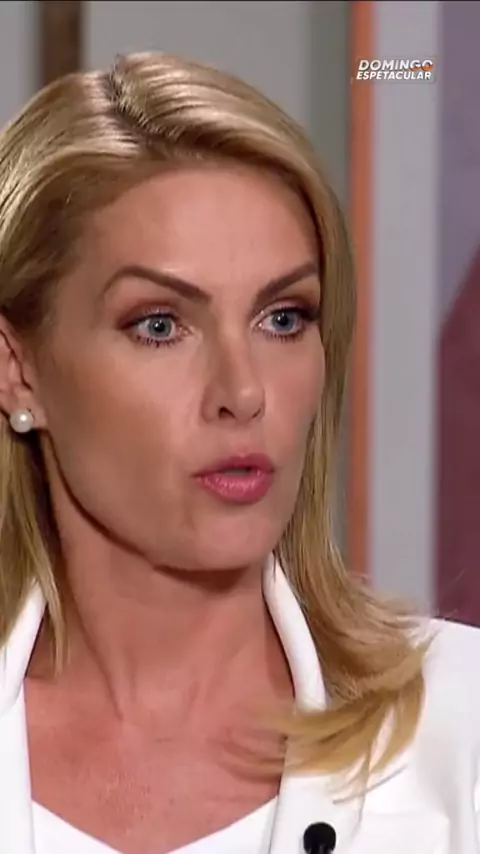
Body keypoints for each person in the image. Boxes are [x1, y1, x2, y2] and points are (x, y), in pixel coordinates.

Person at [0, 51, 478, 854]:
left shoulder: (462, 729)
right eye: (160, 325)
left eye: (282, 318)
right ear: (18, 371)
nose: (244, 391)